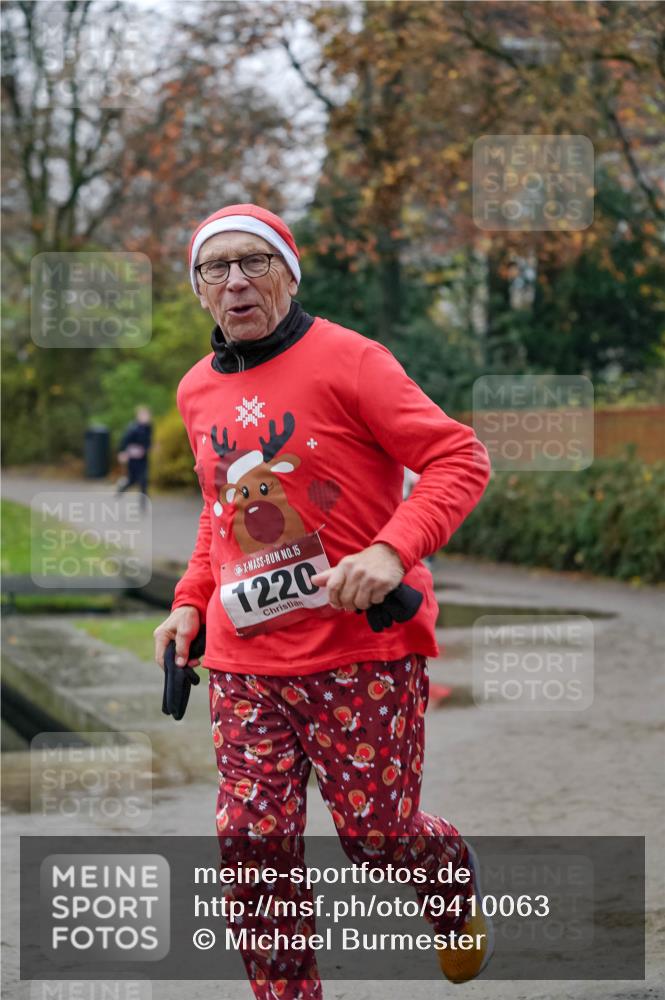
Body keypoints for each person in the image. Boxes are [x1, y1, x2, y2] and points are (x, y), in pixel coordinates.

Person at [153, 204, 493, 998]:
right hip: (245, 662)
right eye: (216, 268)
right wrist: (189, 603)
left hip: (360, 651)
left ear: (288, 271)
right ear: (199, 289)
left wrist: (389, 550)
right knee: (250, 845)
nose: (235, 281)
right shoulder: (196, 390)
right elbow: (217, 516)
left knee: (377, 837)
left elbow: (457, 457)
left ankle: (446, 874)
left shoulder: (352, 360)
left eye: (254, 262)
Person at [115, 405, 152, 512]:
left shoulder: (149, 427)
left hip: (143, 459)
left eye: (147, 415)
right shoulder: (133, 428)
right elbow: (124, 441)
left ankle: (143, 505)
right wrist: (123, 452)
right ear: (138, 416)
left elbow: (148, 442)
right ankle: (121, 488)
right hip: (133, 459)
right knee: (132, 480)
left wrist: (148, 448)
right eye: (143, 415)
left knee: (144, 481)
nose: (146, 417)